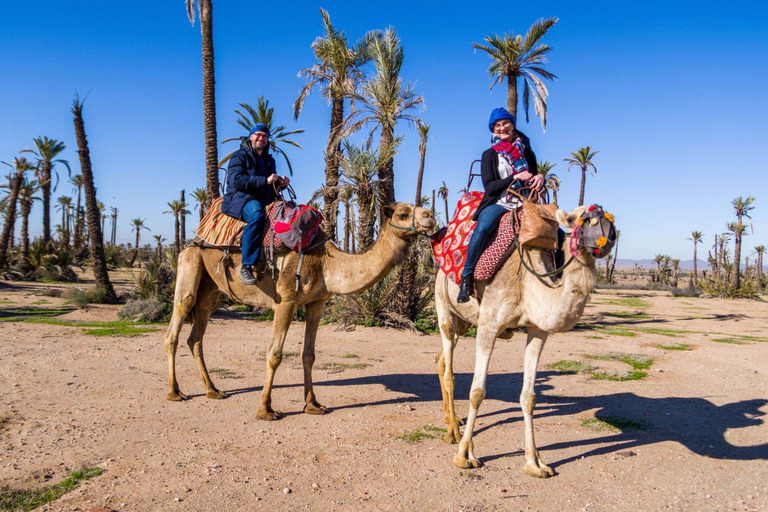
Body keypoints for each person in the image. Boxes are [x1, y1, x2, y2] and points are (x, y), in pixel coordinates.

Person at [457, 108, 544, 303]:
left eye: (505, 123)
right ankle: (466, 277)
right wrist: (514, 177)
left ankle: (557, 279)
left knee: (556, 232)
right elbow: (489, 186)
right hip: (500, 201)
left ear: (513, 125)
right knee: (483, 229)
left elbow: (534, 174)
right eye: (497, 125)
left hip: (525, 202)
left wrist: (540, 177)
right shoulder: (489, 155)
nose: (502, 127)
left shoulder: (526, 150)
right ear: (493, 130)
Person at [221, 123, 290, 285]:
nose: (261, 138)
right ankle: (246, 266)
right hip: (241, 199)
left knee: (289, 213)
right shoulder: (239, 156)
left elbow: (270, 189)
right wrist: (264, 180)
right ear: (251, 136)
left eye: (265, 136)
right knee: (257, 215)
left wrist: (281, 184)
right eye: (258, 135)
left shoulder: (269, 161)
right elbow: (237, 181)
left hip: (263, 199)